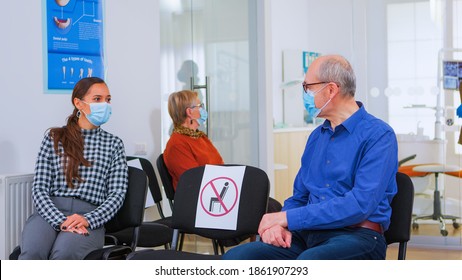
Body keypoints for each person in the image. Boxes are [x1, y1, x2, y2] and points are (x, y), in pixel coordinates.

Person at [222, 54, 398, 260]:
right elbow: (300, 196)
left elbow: (359, 204)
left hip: (357, 236)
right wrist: (279, 227)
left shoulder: (379, 135)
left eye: (308, 87)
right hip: (309, 234)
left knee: (308, 263)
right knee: (237, 259)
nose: (305, 94)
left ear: (331, 90)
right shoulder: (317, 137)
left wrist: (287, 218)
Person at [19, 77, 128, 260]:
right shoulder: (55, 137)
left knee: (64, 255)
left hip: (89, 216)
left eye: (108, 99)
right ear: (78, 103)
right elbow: (39, 188)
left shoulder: (114, 144)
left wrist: (88, 219)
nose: (105, 104)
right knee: (32, 253)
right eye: (97, 99)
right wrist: (60, 220)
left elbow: (117, 195)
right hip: (49, 212)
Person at [163, 90, 223, 190]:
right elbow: (194, 180)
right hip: (198, 199)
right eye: (200, 106)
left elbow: (220, 165)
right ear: (189, 112)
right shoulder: (177, 144)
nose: (202, 109)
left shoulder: (200, 137)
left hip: (216, 189)